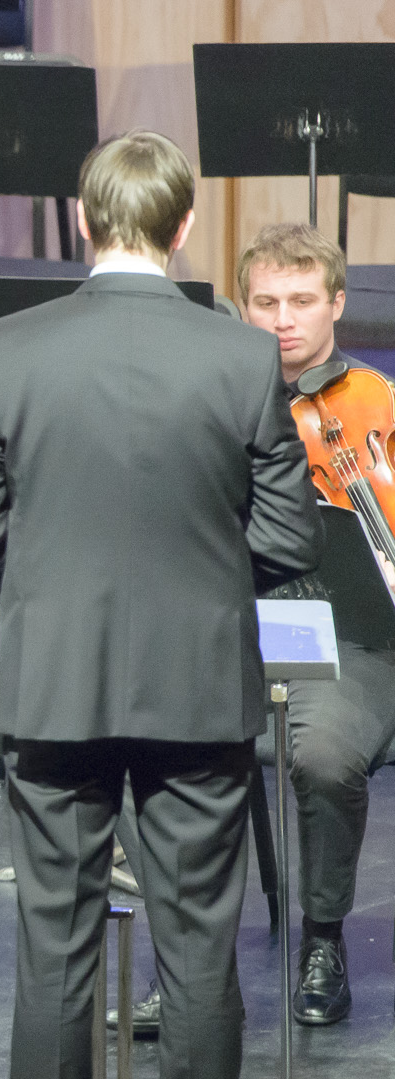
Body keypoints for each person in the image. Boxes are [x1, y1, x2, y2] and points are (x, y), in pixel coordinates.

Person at [0, 131, 320, 1079]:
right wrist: (196, 594)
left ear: (78, 218)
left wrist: (47, 595)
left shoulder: (8, 350)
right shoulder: (240, 359)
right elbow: (289, 538)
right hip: (197, 689)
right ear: (185, 228)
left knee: (51, 945)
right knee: (199, 949)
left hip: (52, 688)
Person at [236, 222, 395, 1026]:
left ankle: (323, 933)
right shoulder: (218, 400)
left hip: (356, 635)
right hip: (240, 627)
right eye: (265, 302)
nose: (283, 319)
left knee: (326, 755)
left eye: (302, 300)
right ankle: (185, 959)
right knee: (137, 724)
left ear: (337, 303)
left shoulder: (375, 401)